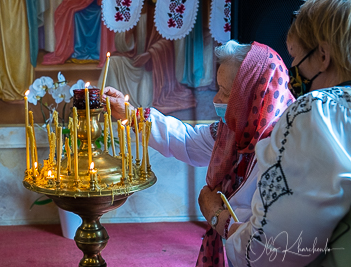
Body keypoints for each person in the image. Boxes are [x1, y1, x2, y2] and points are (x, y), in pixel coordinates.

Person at [103, 39, 295, 266]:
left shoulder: (286, 147)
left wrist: (216, 215)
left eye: (224, 92)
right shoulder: (232, 132)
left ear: (252, 96)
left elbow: (271, 244)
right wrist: (130, 114)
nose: (216, 99)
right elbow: (187, 141)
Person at [199, 0, 351, 266]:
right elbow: (194, 140)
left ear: (324, 56)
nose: (293, 73)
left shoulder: (315, 113)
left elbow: (267, 251)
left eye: (297, 60)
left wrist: (216, 216)